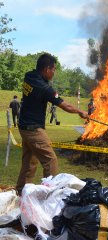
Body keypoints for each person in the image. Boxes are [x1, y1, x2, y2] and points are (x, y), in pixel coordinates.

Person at [16, 53, 88, 194]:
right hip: (33, 128)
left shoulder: (28, 76)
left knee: (29, 161)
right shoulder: (45, 88)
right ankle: (51, 194)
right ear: (47, 69)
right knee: (51, 161)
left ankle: (21, 191)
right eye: (54, 69)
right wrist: (81, 112)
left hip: (23, 126)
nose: (54, 72)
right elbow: (65, 106)